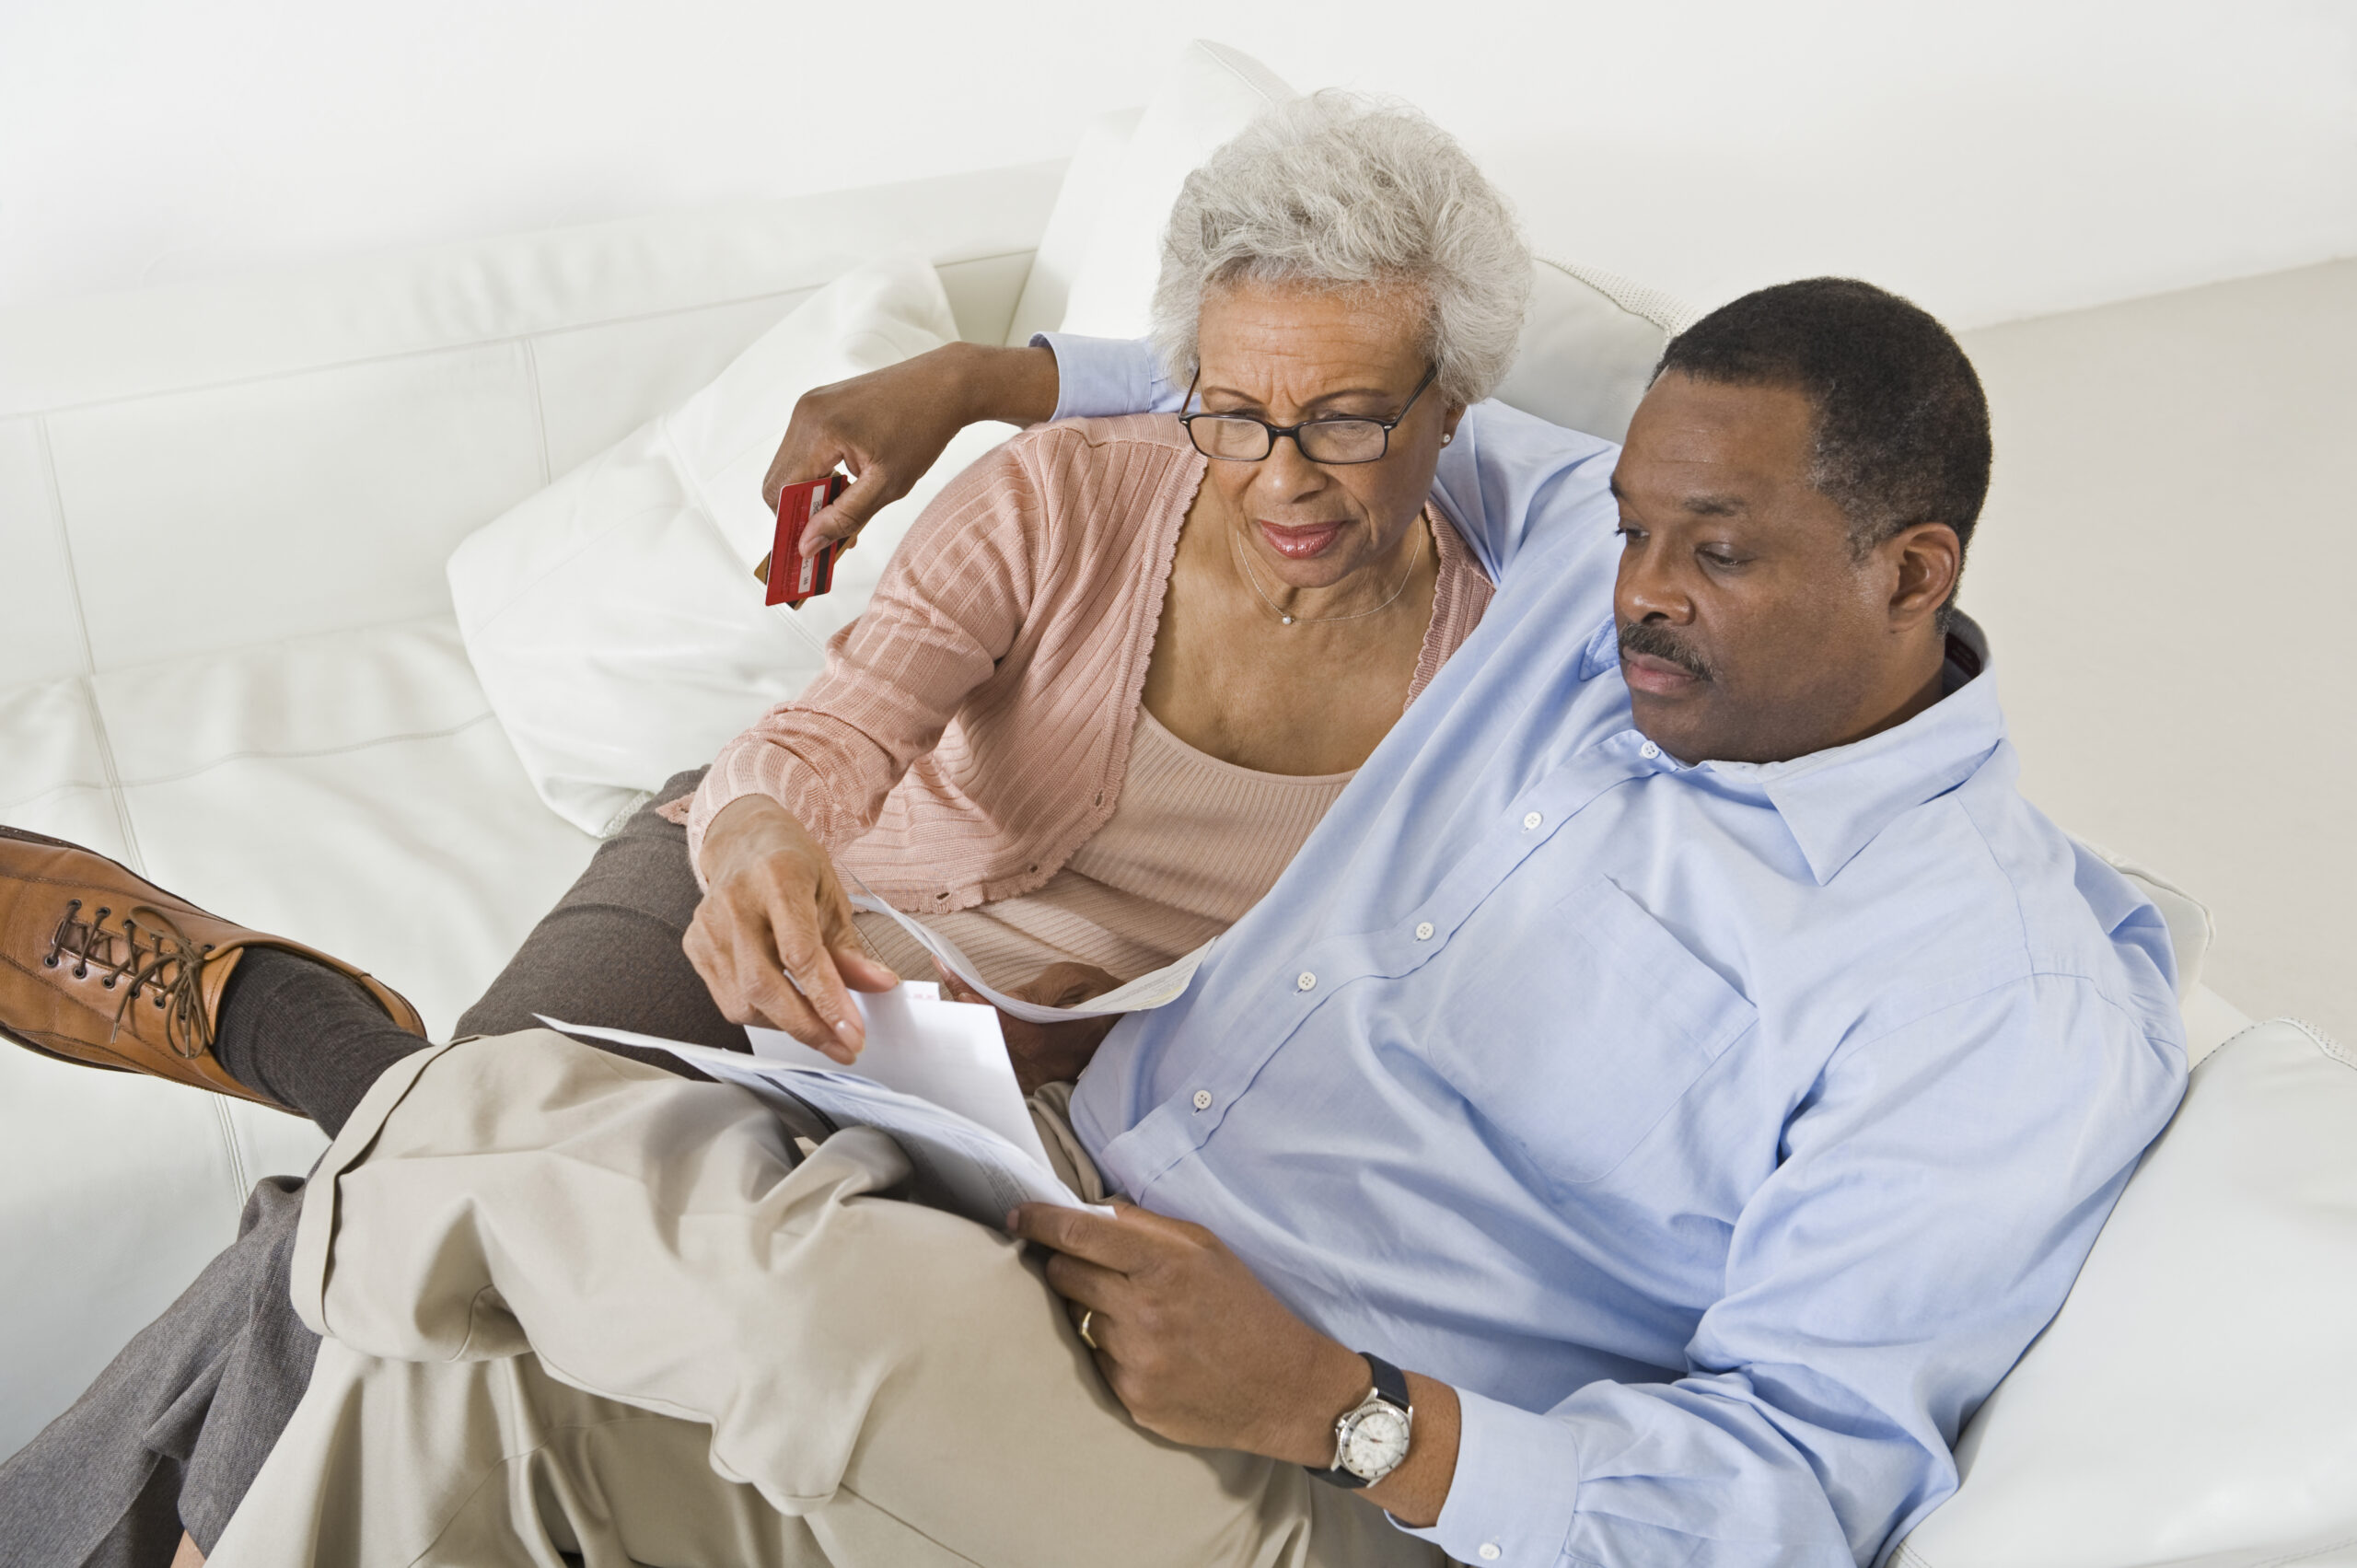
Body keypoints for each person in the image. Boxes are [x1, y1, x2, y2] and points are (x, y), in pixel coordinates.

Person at [137, 258, 2184, 1564]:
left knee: (786, 1286)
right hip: (1058, 1232)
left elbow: (1796, 1497)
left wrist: (1347, 1407)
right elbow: (1313, 384)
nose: (1633, 582)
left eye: (1708, 551)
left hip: (1312, 1480)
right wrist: (981, 372)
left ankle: (378, 1099)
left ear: (1911, 574)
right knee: (489, 1396)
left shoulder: (1989, 1000)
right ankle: (441, 1151)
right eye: (1635, 521)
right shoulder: (1597, 560)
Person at [0, 94, 1520, 1567]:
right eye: (1235, 416)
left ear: (1453, 404)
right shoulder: (1065, 495)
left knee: (392, 1199)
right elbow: (822, 738)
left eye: (1346, 421)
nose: (1284, 476)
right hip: (766, 908)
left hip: (1004, 1092)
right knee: (435, 1183)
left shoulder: (1498, 684)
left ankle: (316, 1044)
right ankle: (327, 1054)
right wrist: (760, 849)